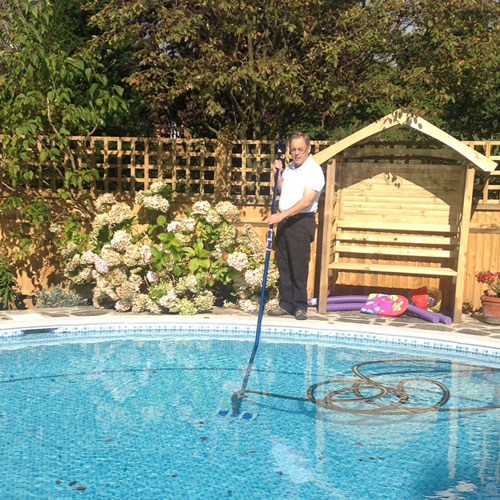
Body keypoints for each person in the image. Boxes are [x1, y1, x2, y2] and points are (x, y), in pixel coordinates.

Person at [267, 132, 325, 320]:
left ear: (308, 149)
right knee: (283, 263)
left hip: (301, 221)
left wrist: (281, 215)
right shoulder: (291, 168)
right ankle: (286, 303)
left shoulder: (314, 170)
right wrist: (276, 174)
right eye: (293, 150)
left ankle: (300, 305)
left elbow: (307, 201)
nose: (297, 153)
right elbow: (282, 189)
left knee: (298, 265)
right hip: (285, 221)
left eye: (300, 149)